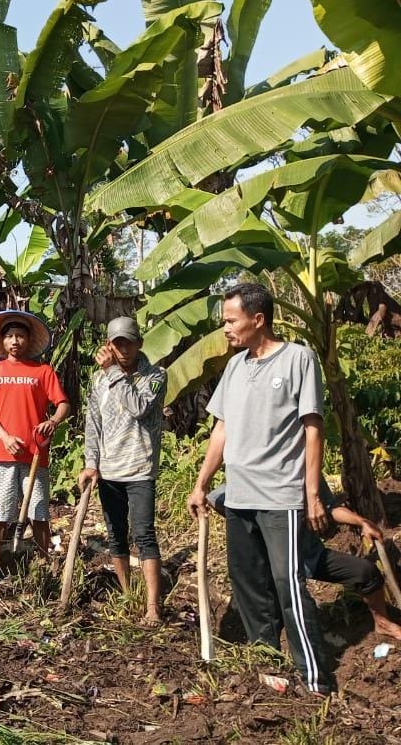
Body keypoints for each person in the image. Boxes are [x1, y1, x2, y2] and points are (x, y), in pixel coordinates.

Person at [187, 282, 335, 695]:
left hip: (282, 496)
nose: (226, 329)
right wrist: (201, 484)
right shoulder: (235, 367)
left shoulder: (298, 359)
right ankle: (269, 663)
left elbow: (312, 428)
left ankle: (316, 678)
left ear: (258, 319)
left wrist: (311, 494)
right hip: (240, 495)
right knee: (249, 583)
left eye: (231, 321)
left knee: (288, 583)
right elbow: (222, 430)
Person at [208, 481, 401, 641]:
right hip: (276, 564)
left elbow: (330, 508)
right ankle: (272, 655)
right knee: (272, 612)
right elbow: (216, 497)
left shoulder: (309, 474)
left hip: (309, 555)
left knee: (366, 572)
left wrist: (361, 522)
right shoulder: (256, 477)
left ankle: (382, 623)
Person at [78, 317, 168, 624]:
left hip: (140, 468)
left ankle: (153, 607)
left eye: (128, 342)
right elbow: (93, 424)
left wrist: (113, 371)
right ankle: (127, 593)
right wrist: (91, 463)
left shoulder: (156, 376)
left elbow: (139, 407)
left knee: (144, 535)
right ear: (109, 345)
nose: (123, 349)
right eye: (117, 343)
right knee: (116, 535)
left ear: (139, 343)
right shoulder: (98, 380)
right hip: (109, 470)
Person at [0, 310, 71, 577]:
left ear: (28, 340)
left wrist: (54, 421)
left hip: (36, 453)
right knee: (1, 512)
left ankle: (43, 561)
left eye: (20, 336)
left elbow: (62, 404)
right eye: (10, 336)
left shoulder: (43, 371)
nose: (15, 341)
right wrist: (4, 436)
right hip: (1, 453)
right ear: (2, 342)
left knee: (39, 511)